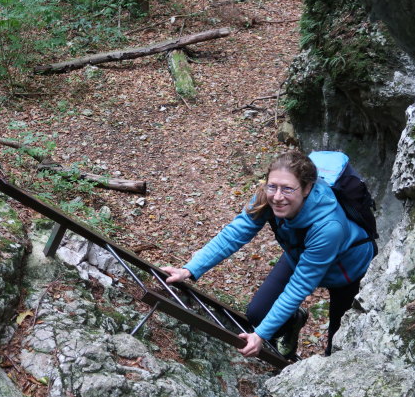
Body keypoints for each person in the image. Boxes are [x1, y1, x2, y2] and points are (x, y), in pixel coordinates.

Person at [161, 150, 375, 359]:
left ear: (307, 188)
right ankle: (292, 323)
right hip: (300, 253)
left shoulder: (329, 227)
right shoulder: (268, 196)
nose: (278, 197)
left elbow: (300, 285)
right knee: (257, 315)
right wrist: (188, 269)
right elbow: (234, 234)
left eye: (288, 189)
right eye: (273, 186)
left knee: (338, 347)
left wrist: (261, 335)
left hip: (348, 270)